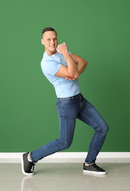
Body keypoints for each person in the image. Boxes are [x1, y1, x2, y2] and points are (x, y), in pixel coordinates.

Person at [21, 27, 109, 176]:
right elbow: (73, 70)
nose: (52, 42)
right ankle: (30, 157)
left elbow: (83, 62)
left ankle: (89, 163)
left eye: (54, 38)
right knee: (64, 142)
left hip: (80, 100)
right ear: (42, 41)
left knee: (102, 128)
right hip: (66, 104)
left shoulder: (60, 53)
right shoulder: (47, 63)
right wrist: (67, 56)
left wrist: (75, 73)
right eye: (48, 39)